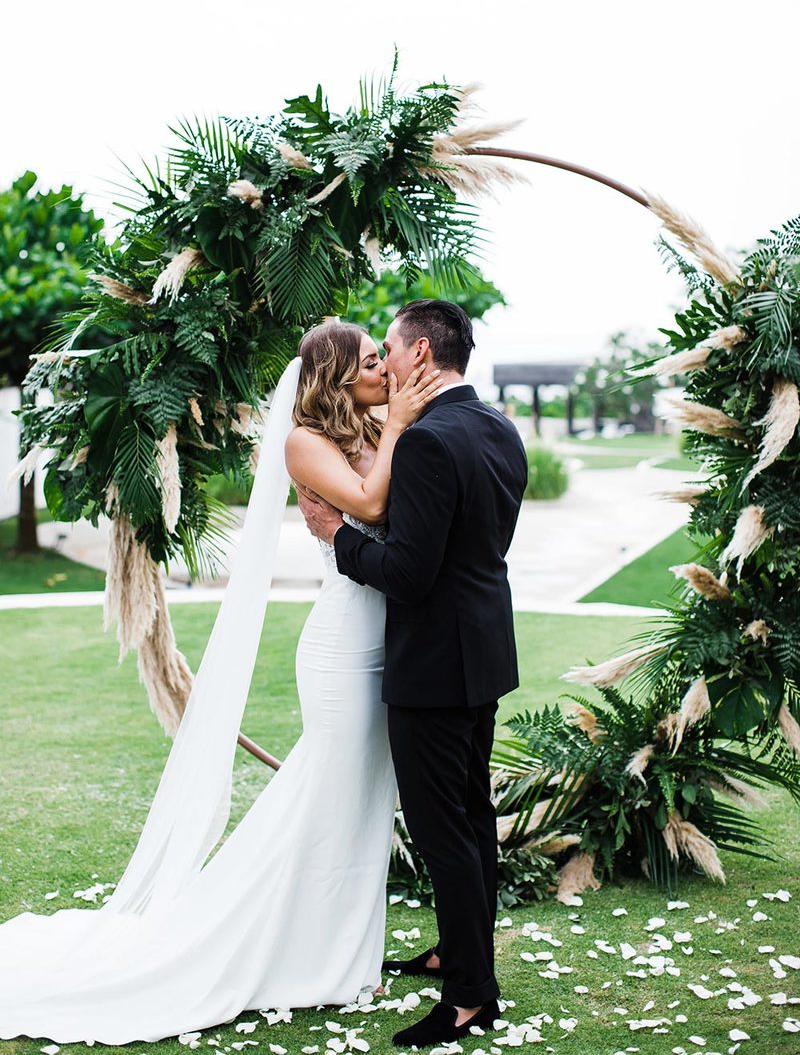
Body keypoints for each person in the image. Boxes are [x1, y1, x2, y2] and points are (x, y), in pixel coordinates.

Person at [0, 322, 440, 1045]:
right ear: (331, 376)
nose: (383, 374)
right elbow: (368, 505)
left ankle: (341, 957)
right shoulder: (305, 440)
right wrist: (396, 424)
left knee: (359, 800)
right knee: (326, 796)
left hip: (387, 639)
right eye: (369, 364)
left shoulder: (367, 426)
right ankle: (272, 948)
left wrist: (395, 424)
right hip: (341, 646)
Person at [298, 300, 529, 1049]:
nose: (386, 363)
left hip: (431, 667)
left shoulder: (427, 441)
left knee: (444, 834)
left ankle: (469, 997)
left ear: (421, 355)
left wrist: (337, 539)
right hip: (484, 654)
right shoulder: (497, 426)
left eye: (389, 350)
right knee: (470, 819)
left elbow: (406, 572)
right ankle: (458, 956)